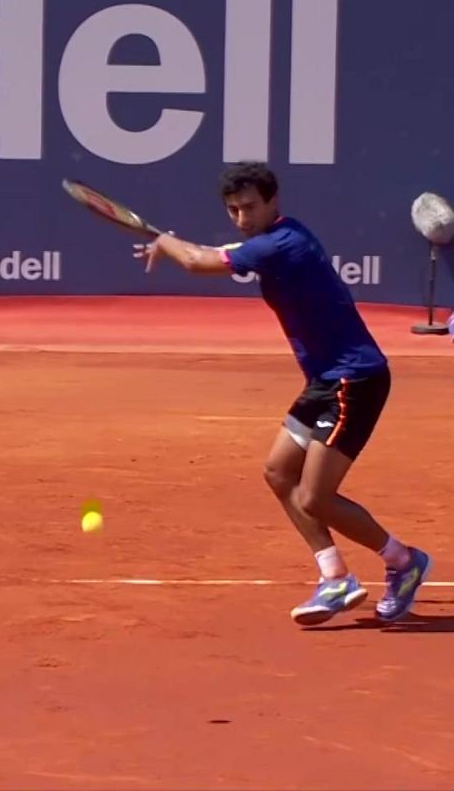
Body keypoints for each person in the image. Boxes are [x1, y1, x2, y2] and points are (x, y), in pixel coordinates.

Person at [134, 161, 432, 627]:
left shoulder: (283, 244)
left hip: (356, 381)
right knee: (278, 473)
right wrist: (179, 245)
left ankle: (403, 561)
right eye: (233, 210)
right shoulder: (272, 239)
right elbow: (218, 250)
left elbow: (197, 261)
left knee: (316, 498)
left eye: (249, 207)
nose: (241, 218)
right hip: (324, 381)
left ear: (273, 201)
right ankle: (335, 577)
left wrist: (163, 239)